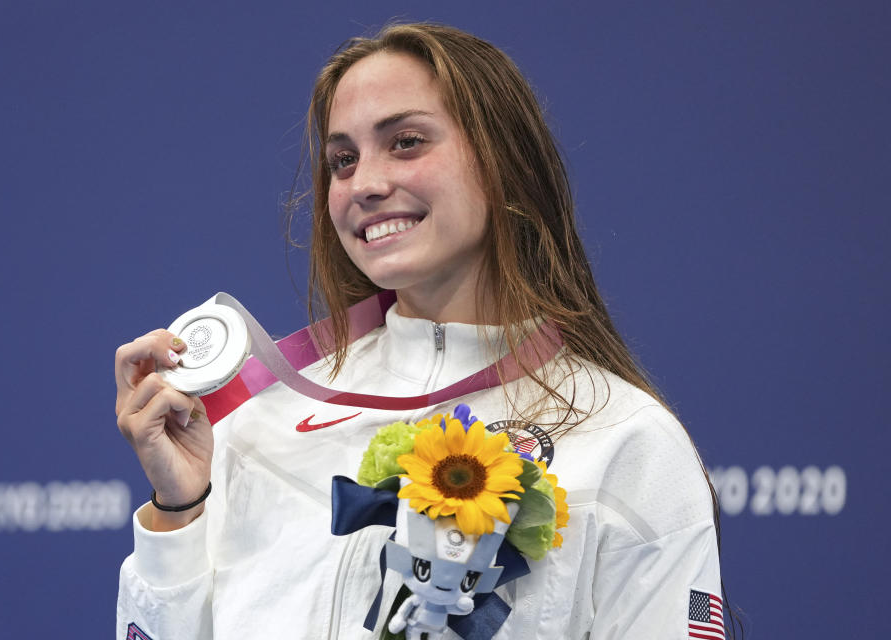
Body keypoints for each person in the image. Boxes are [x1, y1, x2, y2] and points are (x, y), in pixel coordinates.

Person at [115, 22, 729, 640]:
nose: (366, 184)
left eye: (406, 142)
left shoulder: (624, 440)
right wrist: (179, 510)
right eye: (343, 160)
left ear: (502, 163)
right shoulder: (254, 427)